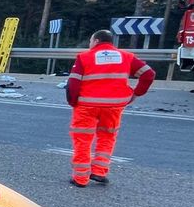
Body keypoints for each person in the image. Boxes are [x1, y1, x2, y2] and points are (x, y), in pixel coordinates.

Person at [66, 29, 154, 186]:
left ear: (97, 41)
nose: (90, 45)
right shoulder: (126, 57)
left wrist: (73, 102)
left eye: (91, 41)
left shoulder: (85, 57)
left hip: (87, 106)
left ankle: (80, 178)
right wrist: (135, 94)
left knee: (83, 140)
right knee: (107, 137)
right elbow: (148, 74)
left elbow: (73, 83)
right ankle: (99, 172)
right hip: (114, 106)